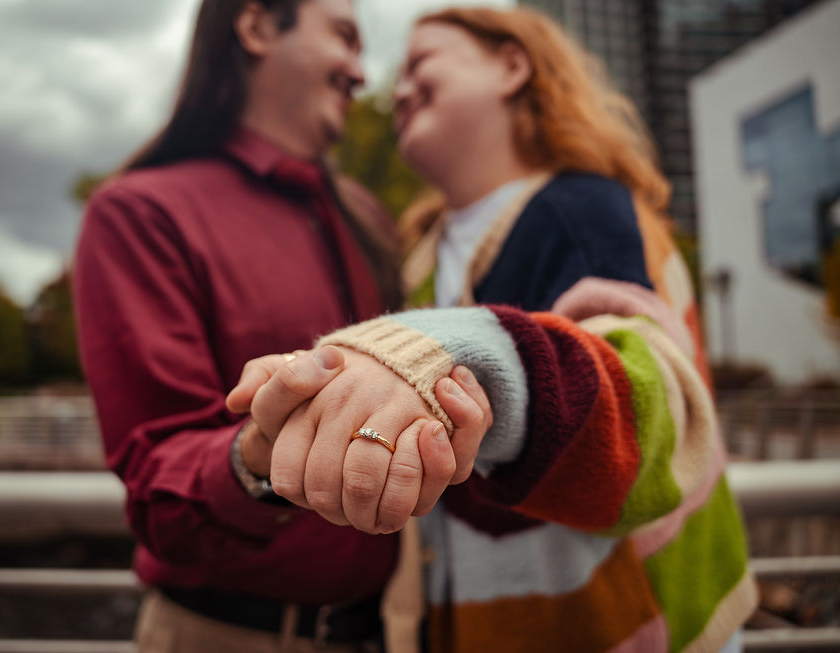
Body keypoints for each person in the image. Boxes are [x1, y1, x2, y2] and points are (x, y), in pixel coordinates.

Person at [228, 7, 758, 653]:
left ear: (512, 66)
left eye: (421, 63)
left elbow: (653, 416)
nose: (394, 89)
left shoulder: (585, 208)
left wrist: (437, 353)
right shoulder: (422, 256)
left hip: (633, 630)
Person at [72, 1, 492, 651]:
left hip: (387, 628)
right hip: (223, 634)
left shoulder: (370, 218)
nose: (361, 72)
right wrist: (256, 455)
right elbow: (158, 481)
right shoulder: (139, 212)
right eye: (345, 37)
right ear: (259, 26)